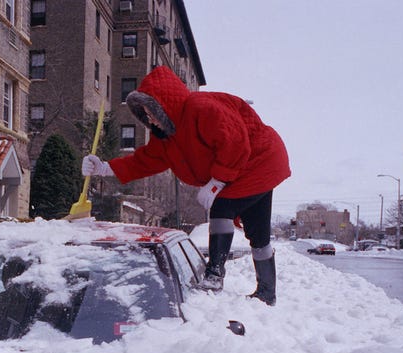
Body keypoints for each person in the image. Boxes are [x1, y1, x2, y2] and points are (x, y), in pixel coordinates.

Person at [81, 66, 290, 306]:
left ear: (163, 103)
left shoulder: (201, 108)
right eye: (145, 114)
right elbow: (144, 161)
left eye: (150, 111)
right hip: (255, 166)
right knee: (258, 233)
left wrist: (216, 182)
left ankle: (214, 276)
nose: (149, 118)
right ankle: (267, 293)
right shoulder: (166, 138)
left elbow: (235, 142)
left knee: (221, 208)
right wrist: (104, 168)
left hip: (258, 159)